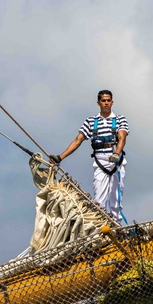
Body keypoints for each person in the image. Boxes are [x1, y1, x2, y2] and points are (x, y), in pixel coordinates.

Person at [51, 90, 130, 222]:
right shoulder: (91, 122)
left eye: (108, 100)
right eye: (103, 101)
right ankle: (102, 229)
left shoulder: (120, 119)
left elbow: (122, 138)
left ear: (112, 102)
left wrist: (116, 153)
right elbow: (78, 140)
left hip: (116, 162)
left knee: (116, 200)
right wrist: (60, 157)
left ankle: (117, 227)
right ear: (98, 103)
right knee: (99, 201)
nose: (106, 103)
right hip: (100, 163)